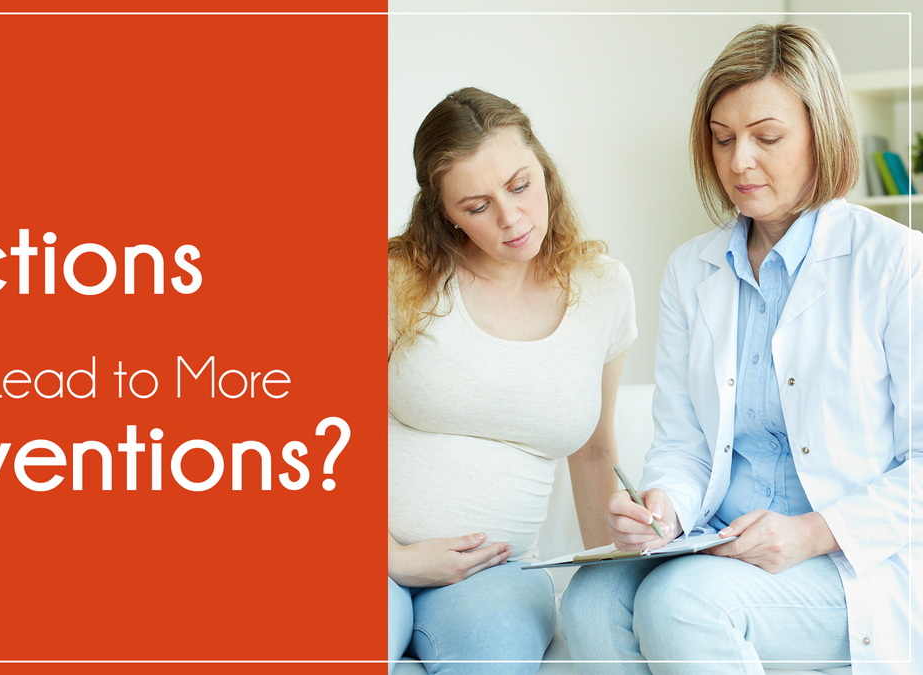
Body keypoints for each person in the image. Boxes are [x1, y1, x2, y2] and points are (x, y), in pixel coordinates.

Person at [559, 23, 921, 675]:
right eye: (722, 140)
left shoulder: (897, 263)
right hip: (717, 546)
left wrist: (811, 532)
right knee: (588, 604)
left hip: (848, 564)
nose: (738, 162)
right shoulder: (690, 270)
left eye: (767, 137)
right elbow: (684, 445)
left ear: (823, 131)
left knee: (681, 604)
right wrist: (662, 509)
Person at [387, 87, 637, 675]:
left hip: (494, 573)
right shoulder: (395, 280)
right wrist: (395, 559)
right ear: (442, 211)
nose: (511, 218)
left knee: (493, 658)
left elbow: (595, 451)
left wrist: (614, 584)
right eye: (476, 206)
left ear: (544, 170)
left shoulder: (603, 288)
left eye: (521, 185)